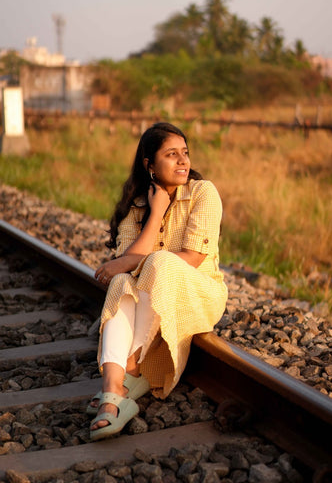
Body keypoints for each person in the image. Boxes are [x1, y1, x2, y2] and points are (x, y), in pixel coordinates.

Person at [88, 121, 228, 441]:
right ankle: (114, 387)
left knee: (161, 262)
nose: (183, 161)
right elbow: (124, 273)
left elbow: (192, 258)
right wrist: (155, 213)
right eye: (171, 154)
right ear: (149, 165)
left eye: (185, 153)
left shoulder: (203, 193)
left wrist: (127, 261)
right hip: (148, 296)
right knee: (122, 284)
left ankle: (129, 366)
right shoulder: (138, 204)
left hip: (200, 293)